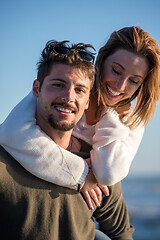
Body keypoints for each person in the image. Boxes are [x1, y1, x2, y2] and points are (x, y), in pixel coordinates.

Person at [0, 26, 160, 206]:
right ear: (101, 61)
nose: (121, 86)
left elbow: (108, 174)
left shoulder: (131, 121)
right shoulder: (72, 85)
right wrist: (81, 174)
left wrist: (110, 115)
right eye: (116, 71)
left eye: (133, 81)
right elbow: (10, 132)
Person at [0, 40, 134, 239]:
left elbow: (122, 234)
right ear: (37, 89)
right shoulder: (3, 162)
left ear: (88, 101)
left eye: (79, 90)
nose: (68, 96)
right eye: (58, 85)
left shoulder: (97, 164)